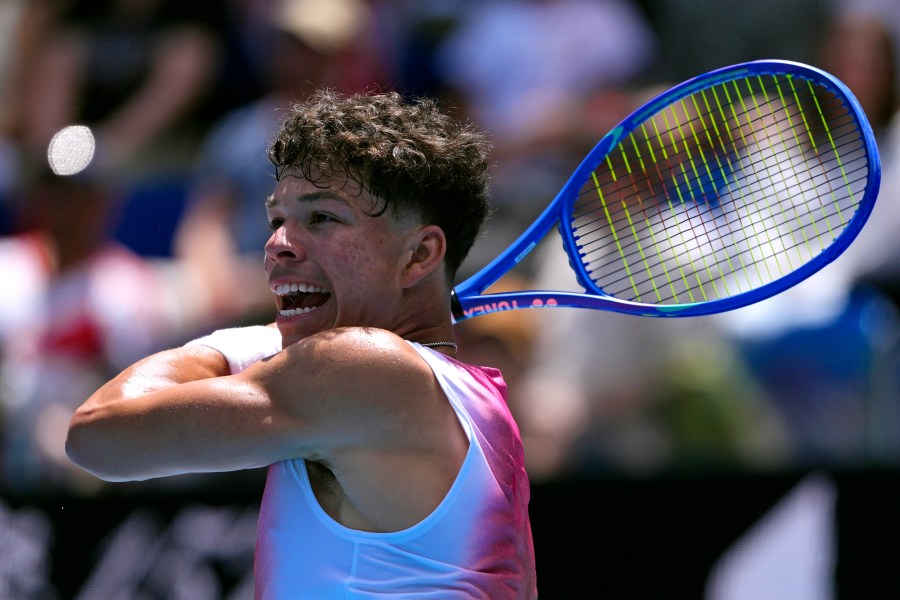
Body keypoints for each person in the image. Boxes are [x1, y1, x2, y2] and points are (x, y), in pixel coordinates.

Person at [65, 89, 538, 598]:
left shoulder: (360, 366)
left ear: (420, 254)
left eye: (322, 218)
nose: (276, 244)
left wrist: (257, 338)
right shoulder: (469, 400)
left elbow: (98, 435)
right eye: (276, 220)